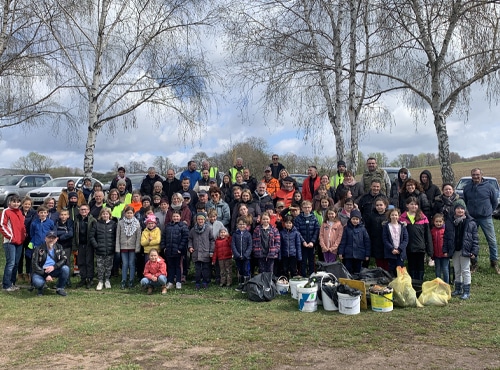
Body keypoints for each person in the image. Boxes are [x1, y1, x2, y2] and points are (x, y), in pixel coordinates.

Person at [463, 168, 499, 274]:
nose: (475, 176)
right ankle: (474, 263)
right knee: (471, 241)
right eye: (473, 175)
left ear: (481, 175)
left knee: (492, 241)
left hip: (485, 218)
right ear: (471, 175)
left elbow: (494, 202)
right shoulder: (467, 188)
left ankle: (494, 263)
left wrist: (488, 211)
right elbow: (465, 201)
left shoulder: (489, 187)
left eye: (477, 174)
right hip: (472, 218)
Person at [445, 204, 479, 300]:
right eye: (458, 209)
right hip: (455, 249)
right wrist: (446, 249)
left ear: (465, 210)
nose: (460, 210)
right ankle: (458, 289)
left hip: (466, 250)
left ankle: (466, 291)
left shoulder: (471, 222)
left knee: (465, 271)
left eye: (462, 209)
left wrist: (474, 251)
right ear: (454, 210)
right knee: (457, 270)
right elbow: (446, 237)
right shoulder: (450, 222)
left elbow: (475, 239)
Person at [399, 197, 433, 281]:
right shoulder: (402, 218)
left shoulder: (423, 218)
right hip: (409, 247)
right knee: (411, 266)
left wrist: (430, 250)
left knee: (420, 267)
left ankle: (420, 283)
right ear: (407, 205)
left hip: (420, 247)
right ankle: (413, 282)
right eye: (411, 204)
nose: (414, 206)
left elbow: (427, 234)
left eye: (416, 204)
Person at [31, 231, 69, 296]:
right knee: (38, 283)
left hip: (54, 269)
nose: (51, 240)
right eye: (49, 238)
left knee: (65, 269)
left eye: (53, 238)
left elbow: (64, 259)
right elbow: (34, 264)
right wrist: (45, 275)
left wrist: (54, 266)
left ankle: (60, 288)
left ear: (56, 239)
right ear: (45, 238)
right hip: (41, 271)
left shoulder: (59, 247)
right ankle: (41, 288)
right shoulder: (38, 248)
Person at [1, 195, 26, 291]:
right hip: (10, 242)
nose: (16, 204)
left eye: (18, 202)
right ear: (9, 203)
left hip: (19, 242)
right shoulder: (6, 211)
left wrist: (23, 235)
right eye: (14, 202)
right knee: (10, 263)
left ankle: (12, 283)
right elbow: (2, 225)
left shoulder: (20, 212)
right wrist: (11, 237)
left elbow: (22, 226)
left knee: (16, 263)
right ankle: (6, 285)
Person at [90, 207, 117, 290]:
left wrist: (113, 245)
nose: (105, 215)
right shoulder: (97, 224)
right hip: (99, 250)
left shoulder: (113, 224)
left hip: (110, 250)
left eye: (107, 214)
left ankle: (107, 280)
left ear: (109, 215)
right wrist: (96, 245)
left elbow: (116, 236)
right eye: (103, 214)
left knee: (109, 267)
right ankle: (100, 281)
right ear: (101, 215)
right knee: (100, 267)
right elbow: (91, 236)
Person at [161, 210, 189, 290]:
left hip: (178, 251)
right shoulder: (168, 226)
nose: (175, 218)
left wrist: (180, 248)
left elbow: (185, 238)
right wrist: (164, 247)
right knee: (170, 266)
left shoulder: (183, 226)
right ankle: (170, 281)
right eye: (174, 216)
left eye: (177, 216)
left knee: (178, 266)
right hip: (169, 250)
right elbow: (163, 237)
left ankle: (178, 282)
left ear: (180, 217)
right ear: (171, 217)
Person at [116, 206, 142, 289]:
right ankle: (123, 280)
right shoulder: (120, 223)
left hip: (133, 247)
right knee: (125, 264)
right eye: (127, 213)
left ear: (133, 213)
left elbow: (138, 236)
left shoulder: (137, 223)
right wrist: (117, 247)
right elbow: (118, 236)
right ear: (125, 213)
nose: (129, 214)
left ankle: (131, 280)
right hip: (123, 246)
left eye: (131, 213)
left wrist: (138, 247)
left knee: (131, 264)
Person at [338, 209, 371, 274]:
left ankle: (357, 282)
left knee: (357, 270)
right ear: (350, 219)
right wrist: (340, 252)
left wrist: (367, 254)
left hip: (359, 254)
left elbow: (367, 242)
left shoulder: (363, 229)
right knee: (348, 269)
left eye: (357, 219)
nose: (355, 221)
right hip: (348, 254)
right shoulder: (346, 228)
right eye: (353, 219)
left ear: (360, 220)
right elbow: (343, 241)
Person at [188, 213, 215, 289]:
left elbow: (212, 240)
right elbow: (190, 239)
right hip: (196, 252)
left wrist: (211, 251)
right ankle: (197, 282)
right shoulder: (193, 230)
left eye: (202, 219)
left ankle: (205, 282)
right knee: (197, 269)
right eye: (199, 219)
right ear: (196, 220)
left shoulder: (208, 228)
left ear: (205, 220)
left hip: (205, 252)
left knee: (205, 269)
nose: (200, 221)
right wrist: (190, 247)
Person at [294, 200, 320, 277]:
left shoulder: (314, 218)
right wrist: (303, 241)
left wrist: (312, 241)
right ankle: (304, 276)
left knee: (312, 261)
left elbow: (317, 230)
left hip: (312, 244)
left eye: (309, 207)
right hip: (303, 244)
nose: (307, 209)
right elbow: (297, 231)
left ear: (311, 208)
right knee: (303, 261)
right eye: (305, 208)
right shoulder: (298, 219)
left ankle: (312, 276)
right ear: (302, 208)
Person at [73, 204, 96, 289]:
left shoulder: (92, 220)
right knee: (81, 262)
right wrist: (75, 246)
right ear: (79, 211)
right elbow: (74, 235)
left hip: (89, 245)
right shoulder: (76, 220)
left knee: (89, 262)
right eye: (82, 209)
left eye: (85, 209)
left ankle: (90, 279)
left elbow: (95, 233)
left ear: (88, 210)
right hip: (80, 245)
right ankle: (83, 278)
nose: (83, 211)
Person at [382, 208, 408, 276]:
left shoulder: (402, 226)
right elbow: (385, 239)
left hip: (400, 252)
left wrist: (399, 249)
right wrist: (392, 249)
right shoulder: (386, 226)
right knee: (391, 269)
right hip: (390, 252)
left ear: (399, 216)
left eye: (396, 215)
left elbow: (406, 239)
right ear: (389, 216)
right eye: (392, 215)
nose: (394, 217)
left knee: (400, 270)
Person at [365, 197, 390, 270]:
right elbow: (368, 229)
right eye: (377, 205)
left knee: (387, 261)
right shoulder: (372, 216)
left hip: (387, 242)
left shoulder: (389, 216)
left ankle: (388, 275)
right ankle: (381, 274)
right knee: (379, 261)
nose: (379, 207)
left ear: (385, 205)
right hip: (376, 242)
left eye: (381, 205)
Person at [232, 216, 253, 291]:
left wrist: (245, 255)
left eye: (243, 224)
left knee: (246, 270)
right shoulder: (235, 234)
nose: (242, 226)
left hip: (246, 257)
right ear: (237, 225)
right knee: (240, 270)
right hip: (238, 257)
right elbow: (233, 245)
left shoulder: (248, 234)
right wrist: (237, 254)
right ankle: (240, 285)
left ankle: (246, 286)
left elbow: (250, 246)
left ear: (246, 225)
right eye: (240, 224)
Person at [18, 197, 36, 282]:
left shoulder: (34, 213)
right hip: (20, 238)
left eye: (29, 204)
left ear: (31, 205)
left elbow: (33, 224)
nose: (27, 206)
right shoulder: (18, 212)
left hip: (30, 238)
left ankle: (28, 273)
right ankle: (20, 273)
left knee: (29, 256)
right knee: (19, 256)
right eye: (25, 204)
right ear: (22, 204)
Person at [55, 209, 74, 283]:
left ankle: (67, 280)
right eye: (62, 214)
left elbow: (71, 233)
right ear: (59, 216)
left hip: (67, 246)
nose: (63, 216)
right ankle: (60, 280)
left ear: (68, 216)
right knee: (58, 262)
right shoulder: (56, 222)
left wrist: (60, 237)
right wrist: (65, 231)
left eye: (65, 214)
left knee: (66, 262)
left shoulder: (70, 223)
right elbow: (55, 232)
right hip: (58, 246)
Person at [431, 213, 449, 283]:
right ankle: (438, 283)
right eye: (437, 222)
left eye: (440, 222)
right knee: (437, 269)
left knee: (445, 269)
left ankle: (446, 284)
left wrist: (447, 251)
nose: (438, 223)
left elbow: (448, 242)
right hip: (436, 254)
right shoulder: (432, 231)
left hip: (444, 254)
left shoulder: (446, 231)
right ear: (434, 222)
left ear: (443, 222)